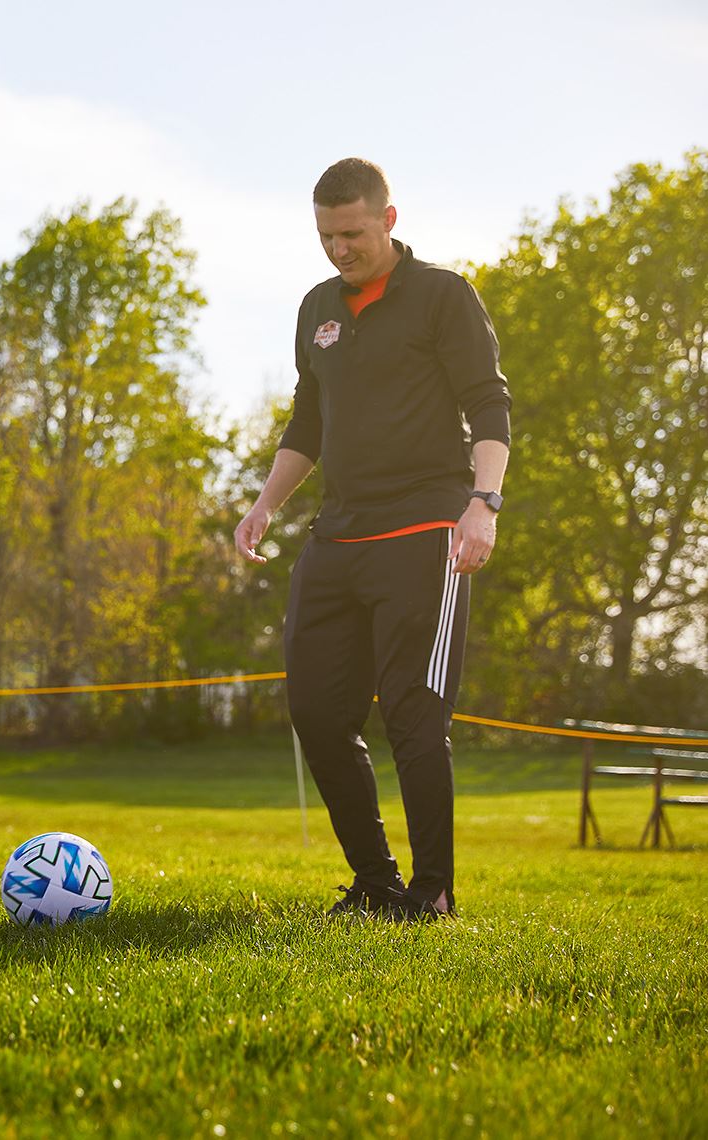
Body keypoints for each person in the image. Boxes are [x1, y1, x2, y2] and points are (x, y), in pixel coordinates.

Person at [234, 158, 510, 921]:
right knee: (319, 713)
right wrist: (264, 507)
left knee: (415, 714)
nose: (339, 249)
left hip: (425, 527)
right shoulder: (317, 308)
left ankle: (432, 891)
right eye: (326, 235)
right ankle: (376, 883)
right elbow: (308, 421)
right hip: (339, 535)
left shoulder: (443, 296)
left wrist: (482, 503)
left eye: (352, 233)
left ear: (388, 219)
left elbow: (488, 404)